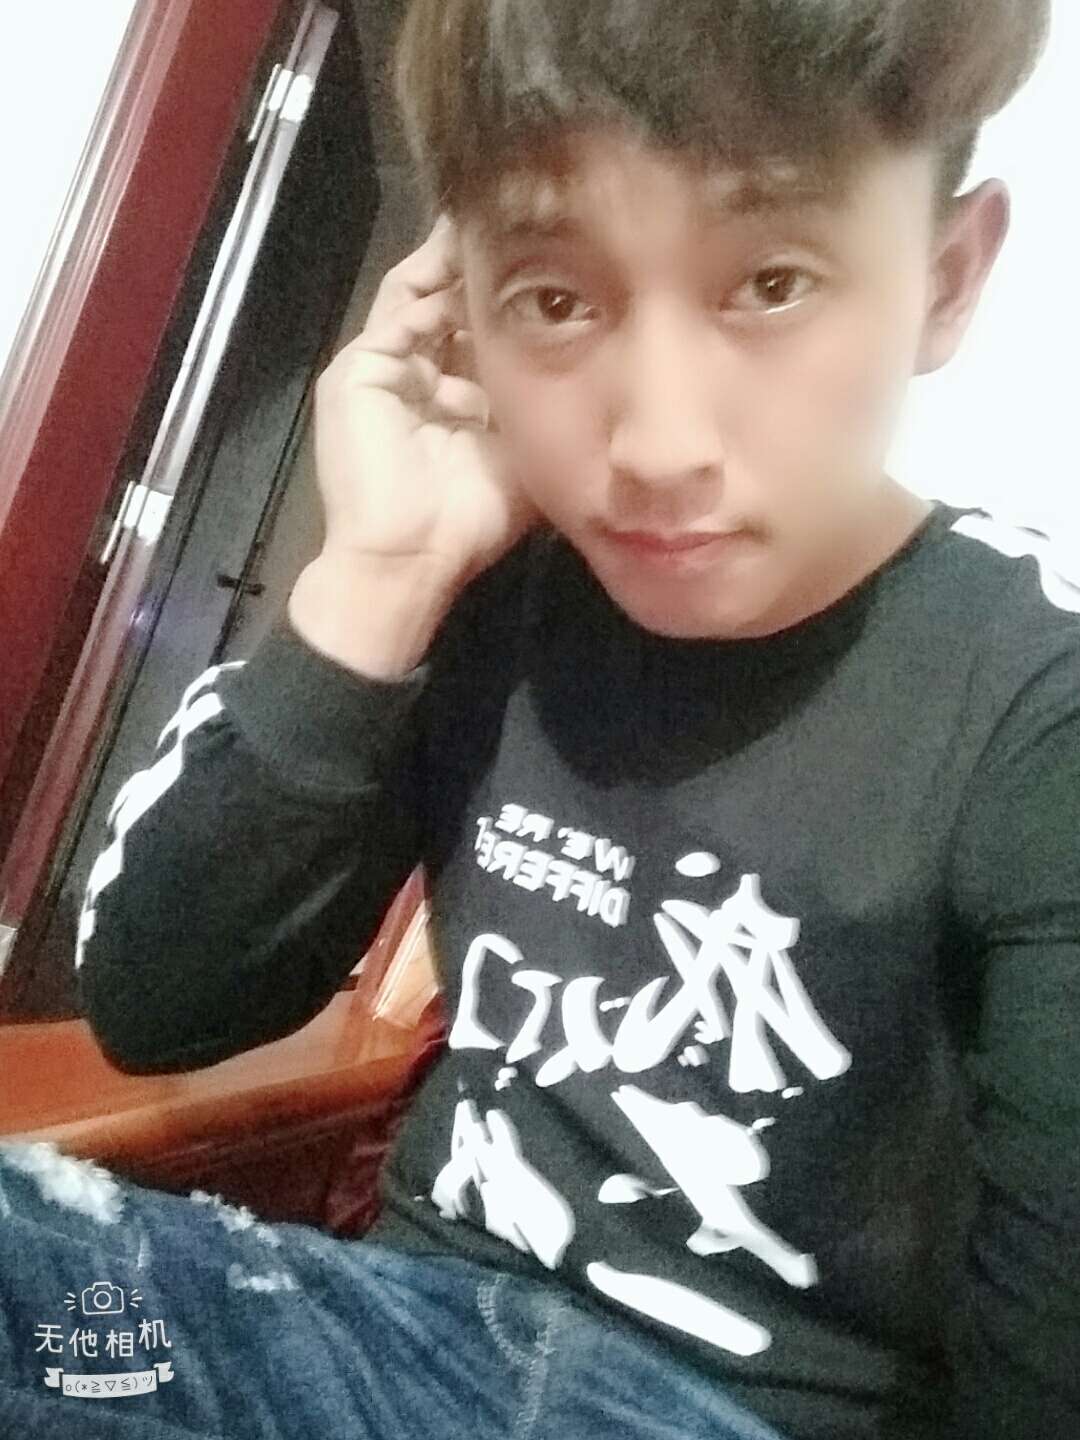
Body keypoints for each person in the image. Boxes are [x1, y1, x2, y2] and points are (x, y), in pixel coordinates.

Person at [1, 1, 1076, 1437]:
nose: (658, 444)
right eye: (556, 301)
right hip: (374, 1343)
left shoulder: (1038, 714)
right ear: (460, 307)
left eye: (772, 282)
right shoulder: (485, 589)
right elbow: (156, 1004)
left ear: (947, 279)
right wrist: (380, 575)